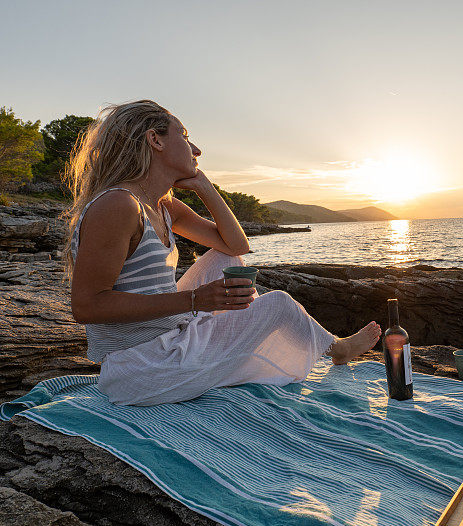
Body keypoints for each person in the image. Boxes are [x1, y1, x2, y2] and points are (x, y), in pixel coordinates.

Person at [62, 99, 382, 406]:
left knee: (225, 259)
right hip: (142, 367)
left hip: (165, 339)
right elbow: (87, 306)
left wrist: (204, 186)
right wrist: (194, 300)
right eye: (185, 138)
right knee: (279, 306)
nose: (197, 150)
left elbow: (236, 246)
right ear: (155, 140)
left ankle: (230, 338)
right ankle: (337, 349)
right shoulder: (118, 205)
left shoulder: (161, 205)